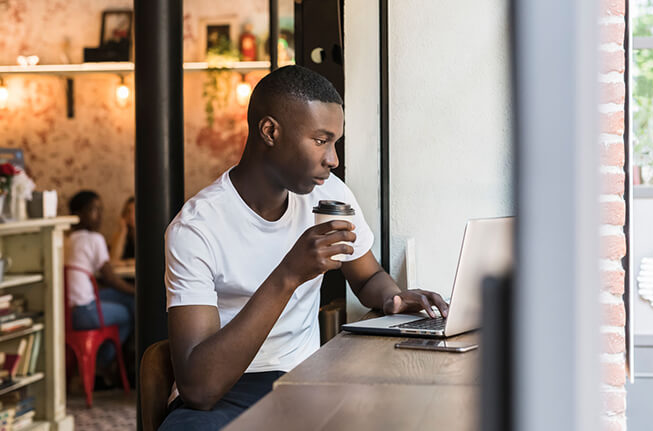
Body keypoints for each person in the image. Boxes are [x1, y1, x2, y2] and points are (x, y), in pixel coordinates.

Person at [160, 65, 449, 430]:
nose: (333, 159)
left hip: (305, 380)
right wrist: (289, 274)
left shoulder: (330, 195)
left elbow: (367, 276)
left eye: (335, 142)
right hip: (225, 395)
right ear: (270, 132)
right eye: (320, 140)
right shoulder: (196, 229)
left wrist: (393, 298)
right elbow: (200, 388)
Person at [65, 191, 135, 379]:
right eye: (94, 210)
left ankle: (107, 367)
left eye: (100, 210)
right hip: (84, 312)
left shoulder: (67, 239)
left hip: (67, 311)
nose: (100, 215)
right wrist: (138, 292)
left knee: (122, 297)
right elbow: (110, 278)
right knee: (130, 308)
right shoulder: (94, 239)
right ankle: (103, 365)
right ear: (78, 214)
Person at [110, 196, 136, 263]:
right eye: (129, 211)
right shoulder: (120, 235)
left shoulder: (148, 236)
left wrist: (126, 263)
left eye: (135, 211)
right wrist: (123, 231)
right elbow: (113, 259)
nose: (131, 216)